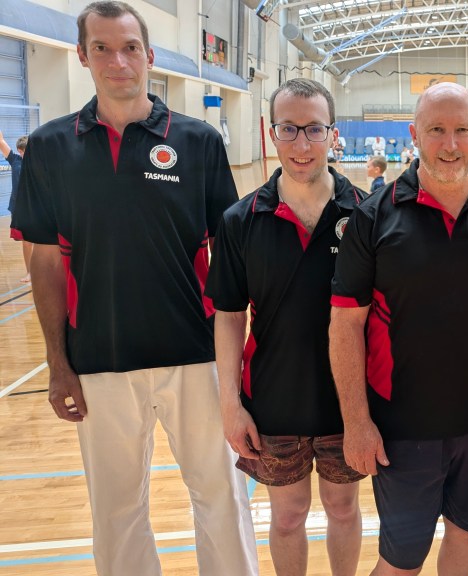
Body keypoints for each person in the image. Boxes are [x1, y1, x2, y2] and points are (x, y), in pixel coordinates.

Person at [16, 3, 258, 574]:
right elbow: (44, 262)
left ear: (149, 55)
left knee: (221, 500)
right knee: (116, 512)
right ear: (81, 56)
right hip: (99, 356)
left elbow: (231, 254)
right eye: (101, 47)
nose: (117, 60)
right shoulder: (50, 148)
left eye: (128, 47)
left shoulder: (197, 141)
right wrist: (57, 360)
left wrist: (239, 360)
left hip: (196, 356)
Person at [329, 82, 468, 575]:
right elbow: (344, 326)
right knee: (401, 562)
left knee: (467, 542)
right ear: (414, 135)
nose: (450, 144)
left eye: (462, 130)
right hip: (402, 427)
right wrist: (357, 423)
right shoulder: (374, 217)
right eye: (437, 130)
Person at [208, 78, 367, 576]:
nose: (302, 145)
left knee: (343, 509)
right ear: (270, 134)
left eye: (314, 129)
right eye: (289, 130)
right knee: (288, 515)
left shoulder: (365, 214)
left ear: (332, 134)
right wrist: (230, 404)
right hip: (273, 399)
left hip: (348, 400)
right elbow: (230, 316)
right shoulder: (240, 220)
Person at [1, 130, 30, 283]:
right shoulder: (15, 160)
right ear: (20, 151)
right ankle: (29, 272)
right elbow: (1, 142)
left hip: (35, 207)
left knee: (38, 241)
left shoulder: (38, 162)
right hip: (19, 208)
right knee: (26, 241)